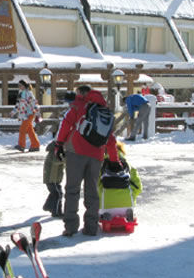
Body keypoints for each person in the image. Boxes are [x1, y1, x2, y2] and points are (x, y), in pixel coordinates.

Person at [55, 85, 121, 236]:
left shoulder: (78, 106)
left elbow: (65, 124)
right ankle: (91, 227)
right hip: (96, 155)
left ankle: (71, 227)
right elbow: (110, 139)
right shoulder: (104, 109)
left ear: (80, 93)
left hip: (75, 152)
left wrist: (59, 144)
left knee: (72, 190)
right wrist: (114, 160)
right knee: (92, 191)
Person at [11, 79, 41, 152]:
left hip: (29, 113)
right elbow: (18, 104)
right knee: (29, 130)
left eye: (20, 85)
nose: (19, 87)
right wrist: (14, 111)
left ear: (24, 85)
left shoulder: (28, 93)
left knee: (22, 129)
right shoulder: (20, 94)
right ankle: (35, 145)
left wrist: (37, 111)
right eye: (19, 85)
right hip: (24, 114)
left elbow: (34, 103)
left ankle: (21, 145)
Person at [42, 138, 65, 217]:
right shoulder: (53, 152)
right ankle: (56, 212)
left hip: (53, 178)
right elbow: (56, 161)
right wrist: (66, 159)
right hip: (51, 179)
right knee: (59, 194)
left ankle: (47, 206)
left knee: (54, 193)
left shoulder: (56, 151)